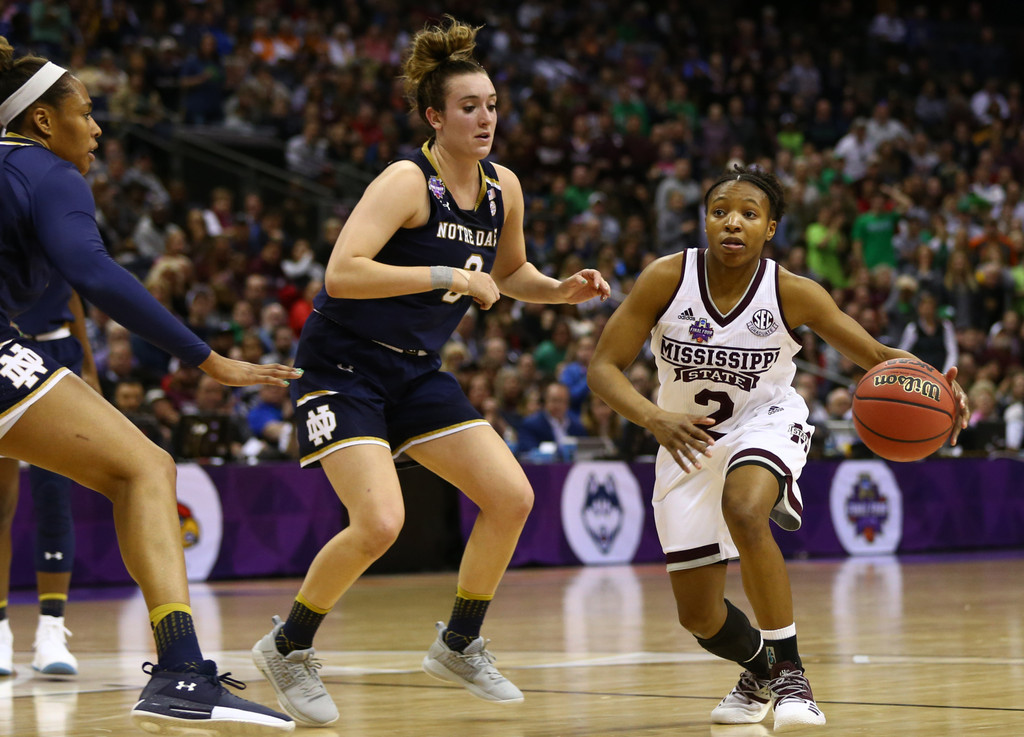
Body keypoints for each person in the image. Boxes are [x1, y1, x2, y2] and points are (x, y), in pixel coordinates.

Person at [249, 16, 609, 727]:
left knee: (510, 496)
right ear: (433, 116)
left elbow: (509, 274)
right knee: (381, 520)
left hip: (415, 371)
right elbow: (342, 273)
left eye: (493, 105)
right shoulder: (406, 180)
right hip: (342, 364)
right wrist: (444, 270)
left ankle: (459, 640)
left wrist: (559, 288)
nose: (485, 118)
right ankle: (287, 646)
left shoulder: (504, 186)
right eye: (469, 107)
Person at [587, 165, 969, 732]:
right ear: (705, 220)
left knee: (744, 508)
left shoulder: (792, 291)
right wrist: (654, 417)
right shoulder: (667, 277)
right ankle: (759, 670)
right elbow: (603, 367)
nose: (732, 223)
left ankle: (791, 674)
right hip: (685, 437)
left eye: (748, 214)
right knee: (698, 614)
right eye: (720, 212)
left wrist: (938, 386)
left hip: (766, 422)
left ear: (771, 228)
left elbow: (874, 354)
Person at [0, 41, 297, 733]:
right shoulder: (48, 172)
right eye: (88, 111)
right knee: (145, 467)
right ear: (44, 121)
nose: (99, 128)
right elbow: (95, 272)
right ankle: (181, 672)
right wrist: (204, 358)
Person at [0, 278, 96, 677]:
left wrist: (89, 367)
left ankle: (51, 632)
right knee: (1, 502)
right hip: (6, 350)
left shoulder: (53, 221)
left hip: (54, 347)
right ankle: (0, 632)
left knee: (54, 495)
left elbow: (73, 287)